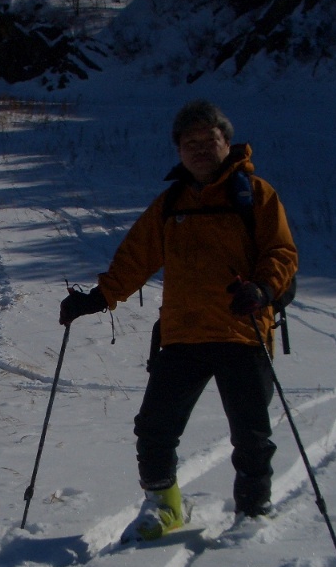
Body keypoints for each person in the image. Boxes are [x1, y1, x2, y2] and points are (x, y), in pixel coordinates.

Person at [59, 100, 298, 540]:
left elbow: (281, 253)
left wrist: (262, 290)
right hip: (183, 335)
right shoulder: (170, 204)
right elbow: (137, 257)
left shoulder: (257, 196)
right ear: (179, 150)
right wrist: (98, 298)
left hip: (242, 332)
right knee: (154, 428)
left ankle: (253, 511)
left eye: (209, 141)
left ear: (227, 143)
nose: (200, 150)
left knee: (251, 436)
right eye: (190, 143)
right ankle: (165, 507)